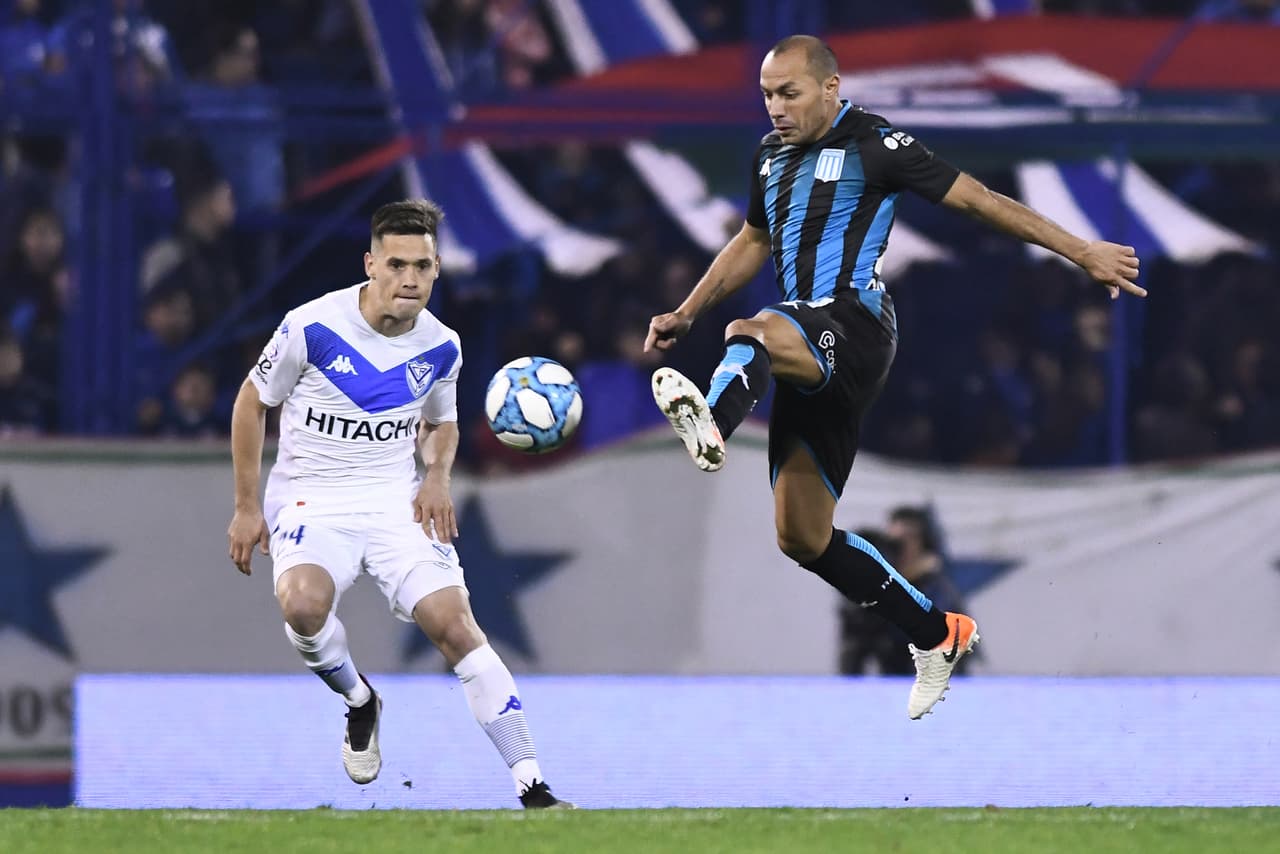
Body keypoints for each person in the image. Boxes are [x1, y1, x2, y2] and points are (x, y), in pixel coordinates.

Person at [645, 35, 1146, 719]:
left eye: (788, 93)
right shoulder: (769, 157)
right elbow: (753, 240)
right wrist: (685, 309)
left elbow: (979, 199)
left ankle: (711, 421)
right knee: (803, 537)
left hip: (854, 325)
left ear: (830, 87)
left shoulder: (876, 143)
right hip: (802, 346)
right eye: (766, 95)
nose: (776, 108)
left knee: (751, 330)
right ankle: (938, 634)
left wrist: (1080, 250)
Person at [226, 199, 572, 809]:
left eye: (422, 266)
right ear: (371, 264)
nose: (410, 279)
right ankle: (360, 700)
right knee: (303, 607)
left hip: (395, 503)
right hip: (313, 500)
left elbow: (442, 422)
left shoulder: (443, 346)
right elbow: (251, 403)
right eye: (396, 264)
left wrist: (437, 474)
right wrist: (247, 505)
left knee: (455, 625)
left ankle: (532, 785)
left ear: (438, 268)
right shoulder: (312, 325)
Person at [839, 509, 970, 677]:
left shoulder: (937, 589)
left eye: (911, 538)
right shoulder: (880, 587)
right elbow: (855, 646)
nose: (902, 549)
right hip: (888, 682)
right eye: (895, 542)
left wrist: (915, 580)